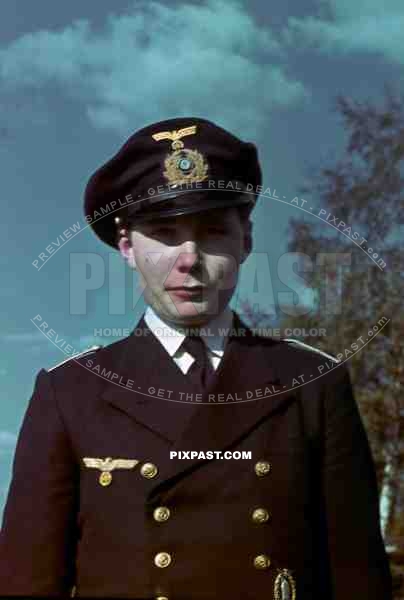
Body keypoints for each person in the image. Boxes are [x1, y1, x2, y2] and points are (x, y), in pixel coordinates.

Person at [0, 117, 392, 599]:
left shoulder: (314, 383)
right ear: (128, 246)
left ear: (245, 241)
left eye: (212, 232)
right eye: (164, 233)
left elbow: (358, 579)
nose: (189, 258)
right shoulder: (69, 392)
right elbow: (29, 581)